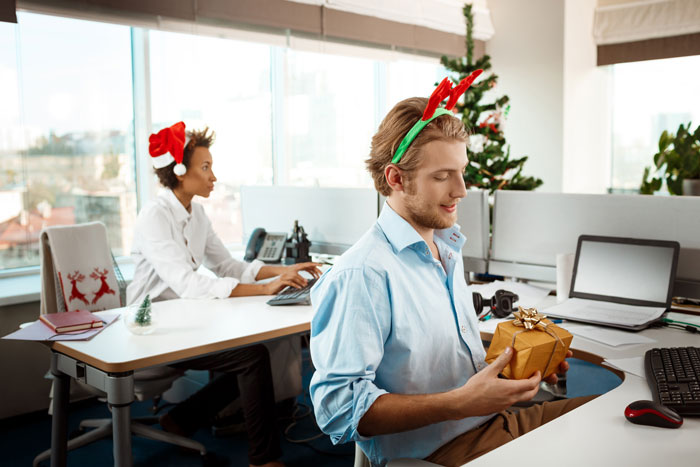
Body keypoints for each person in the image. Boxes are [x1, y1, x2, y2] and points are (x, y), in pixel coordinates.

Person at [308, 75, 595, 467]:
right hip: (442, 453)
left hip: (495, 422)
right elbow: (338, 410)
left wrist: (520, 366)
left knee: (615, 422)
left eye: (462, 171)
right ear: (396, 178)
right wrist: (462, 403)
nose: (461, 190)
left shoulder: (446, 245)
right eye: (443, 176)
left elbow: (443, 361)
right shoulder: (363, 274)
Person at [127, 121, 321, 467]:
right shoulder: (154, 217)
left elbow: (228, 267)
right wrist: (263, 288)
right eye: (206, 168)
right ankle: (264, 459)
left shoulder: (196, 213)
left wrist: (284, 272)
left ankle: (181, 419)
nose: (213, 176)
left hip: (185, 322)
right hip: (154, 331)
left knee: (253, 353)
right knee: (252, 358)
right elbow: (189, 284)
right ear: (181, 172)